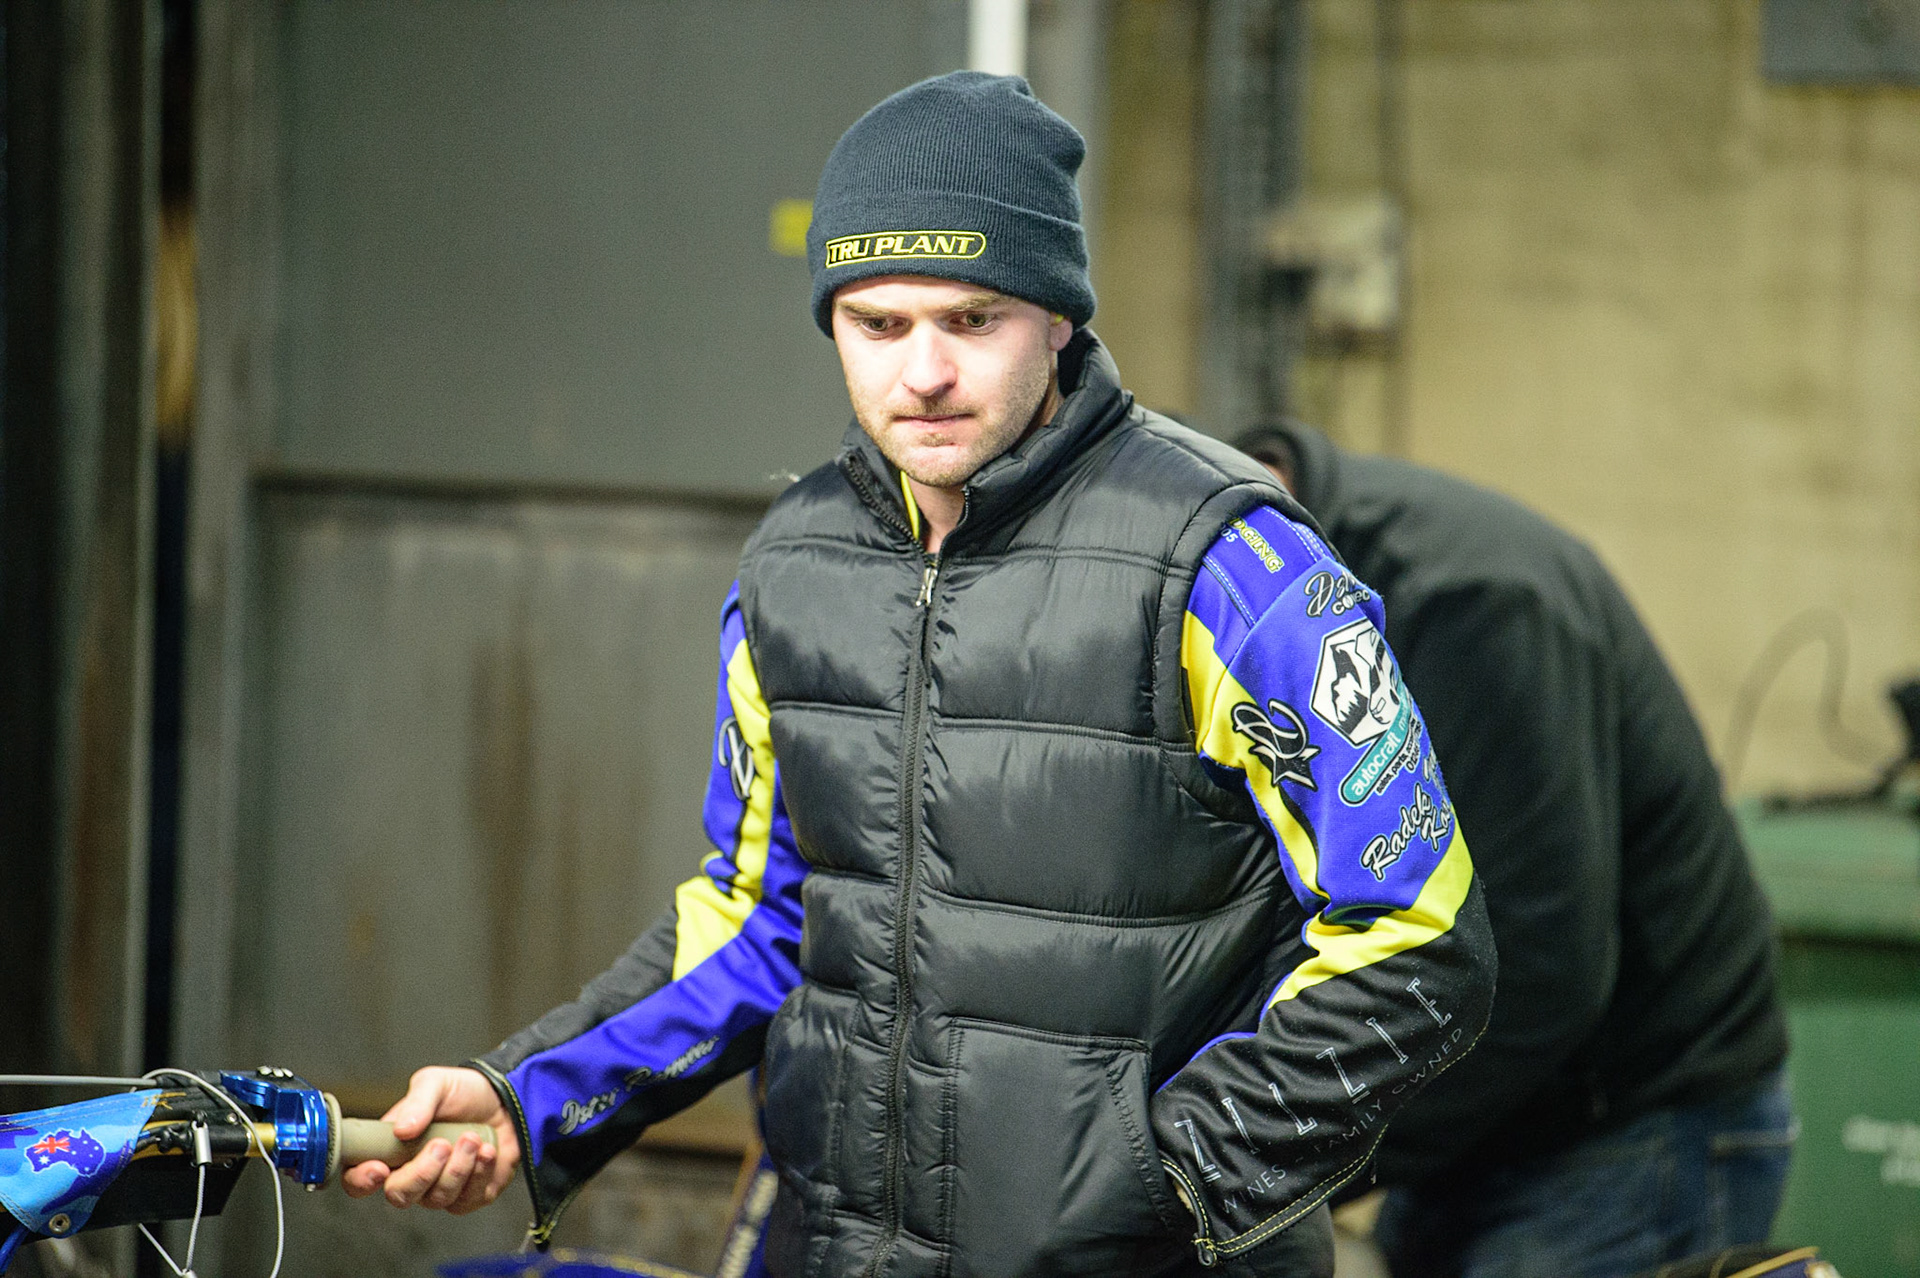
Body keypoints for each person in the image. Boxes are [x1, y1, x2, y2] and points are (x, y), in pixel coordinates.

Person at [343, 74, 1496, 1277]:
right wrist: (527, 1094)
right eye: (878, 325)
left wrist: (1160, 1187)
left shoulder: (1231, 564)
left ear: (1057, 317)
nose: (924, 373)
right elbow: (763, 917)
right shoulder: (793, 565)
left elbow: (1417, 935)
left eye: (972, 318)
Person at [1231, 422, 1793, 1277]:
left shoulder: (1470, 599)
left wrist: (1285, 1166)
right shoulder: (1264, 591)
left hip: (1626, 1130)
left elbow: (1542, 970)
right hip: (1483, 1114)